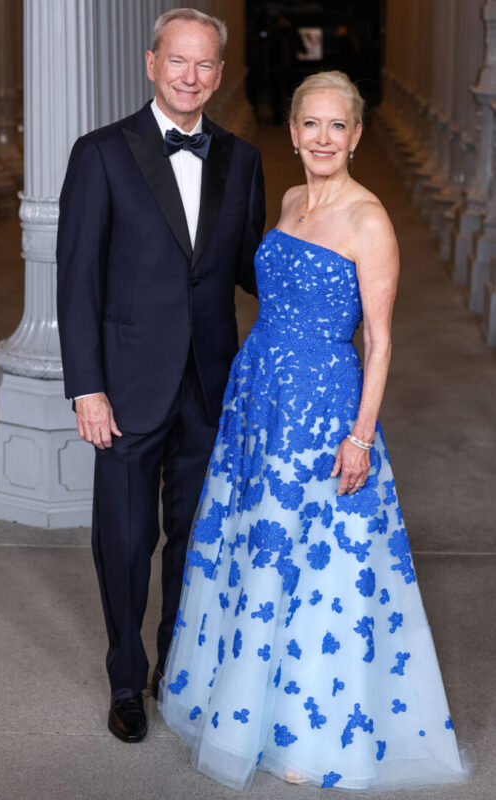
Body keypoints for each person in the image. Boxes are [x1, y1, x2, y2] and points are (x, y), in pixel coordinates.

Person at [158, 71, 474, 790]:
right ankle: (248, 710)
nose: (323, 138)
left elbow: (380, 341)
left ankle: (308, 733)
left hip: (321, 409)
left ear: (356, 136)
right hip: (259, 396)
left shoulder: (369, 221)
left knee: (313, 560)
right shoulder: (291, 201)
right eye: (311, 124)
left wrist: (359, 437)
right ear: (294, 131)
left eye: (337, 126)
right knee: (256, 545)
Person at [56, 9, 265, 744]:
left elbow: (251, 269)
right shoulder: (101, 153)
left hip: (210, 384)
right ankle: (125, 677)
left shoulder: (242, 159)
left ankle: (174, 663)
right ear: (152, 64)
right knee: (124, 538)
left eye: (205, 64)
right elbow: (77, 280)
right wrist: (86, 386)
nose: (190, 76)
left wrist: (325, 254)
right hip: (124, 387)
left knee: (193, 537)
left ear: (219, 73)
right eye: (178, 61)